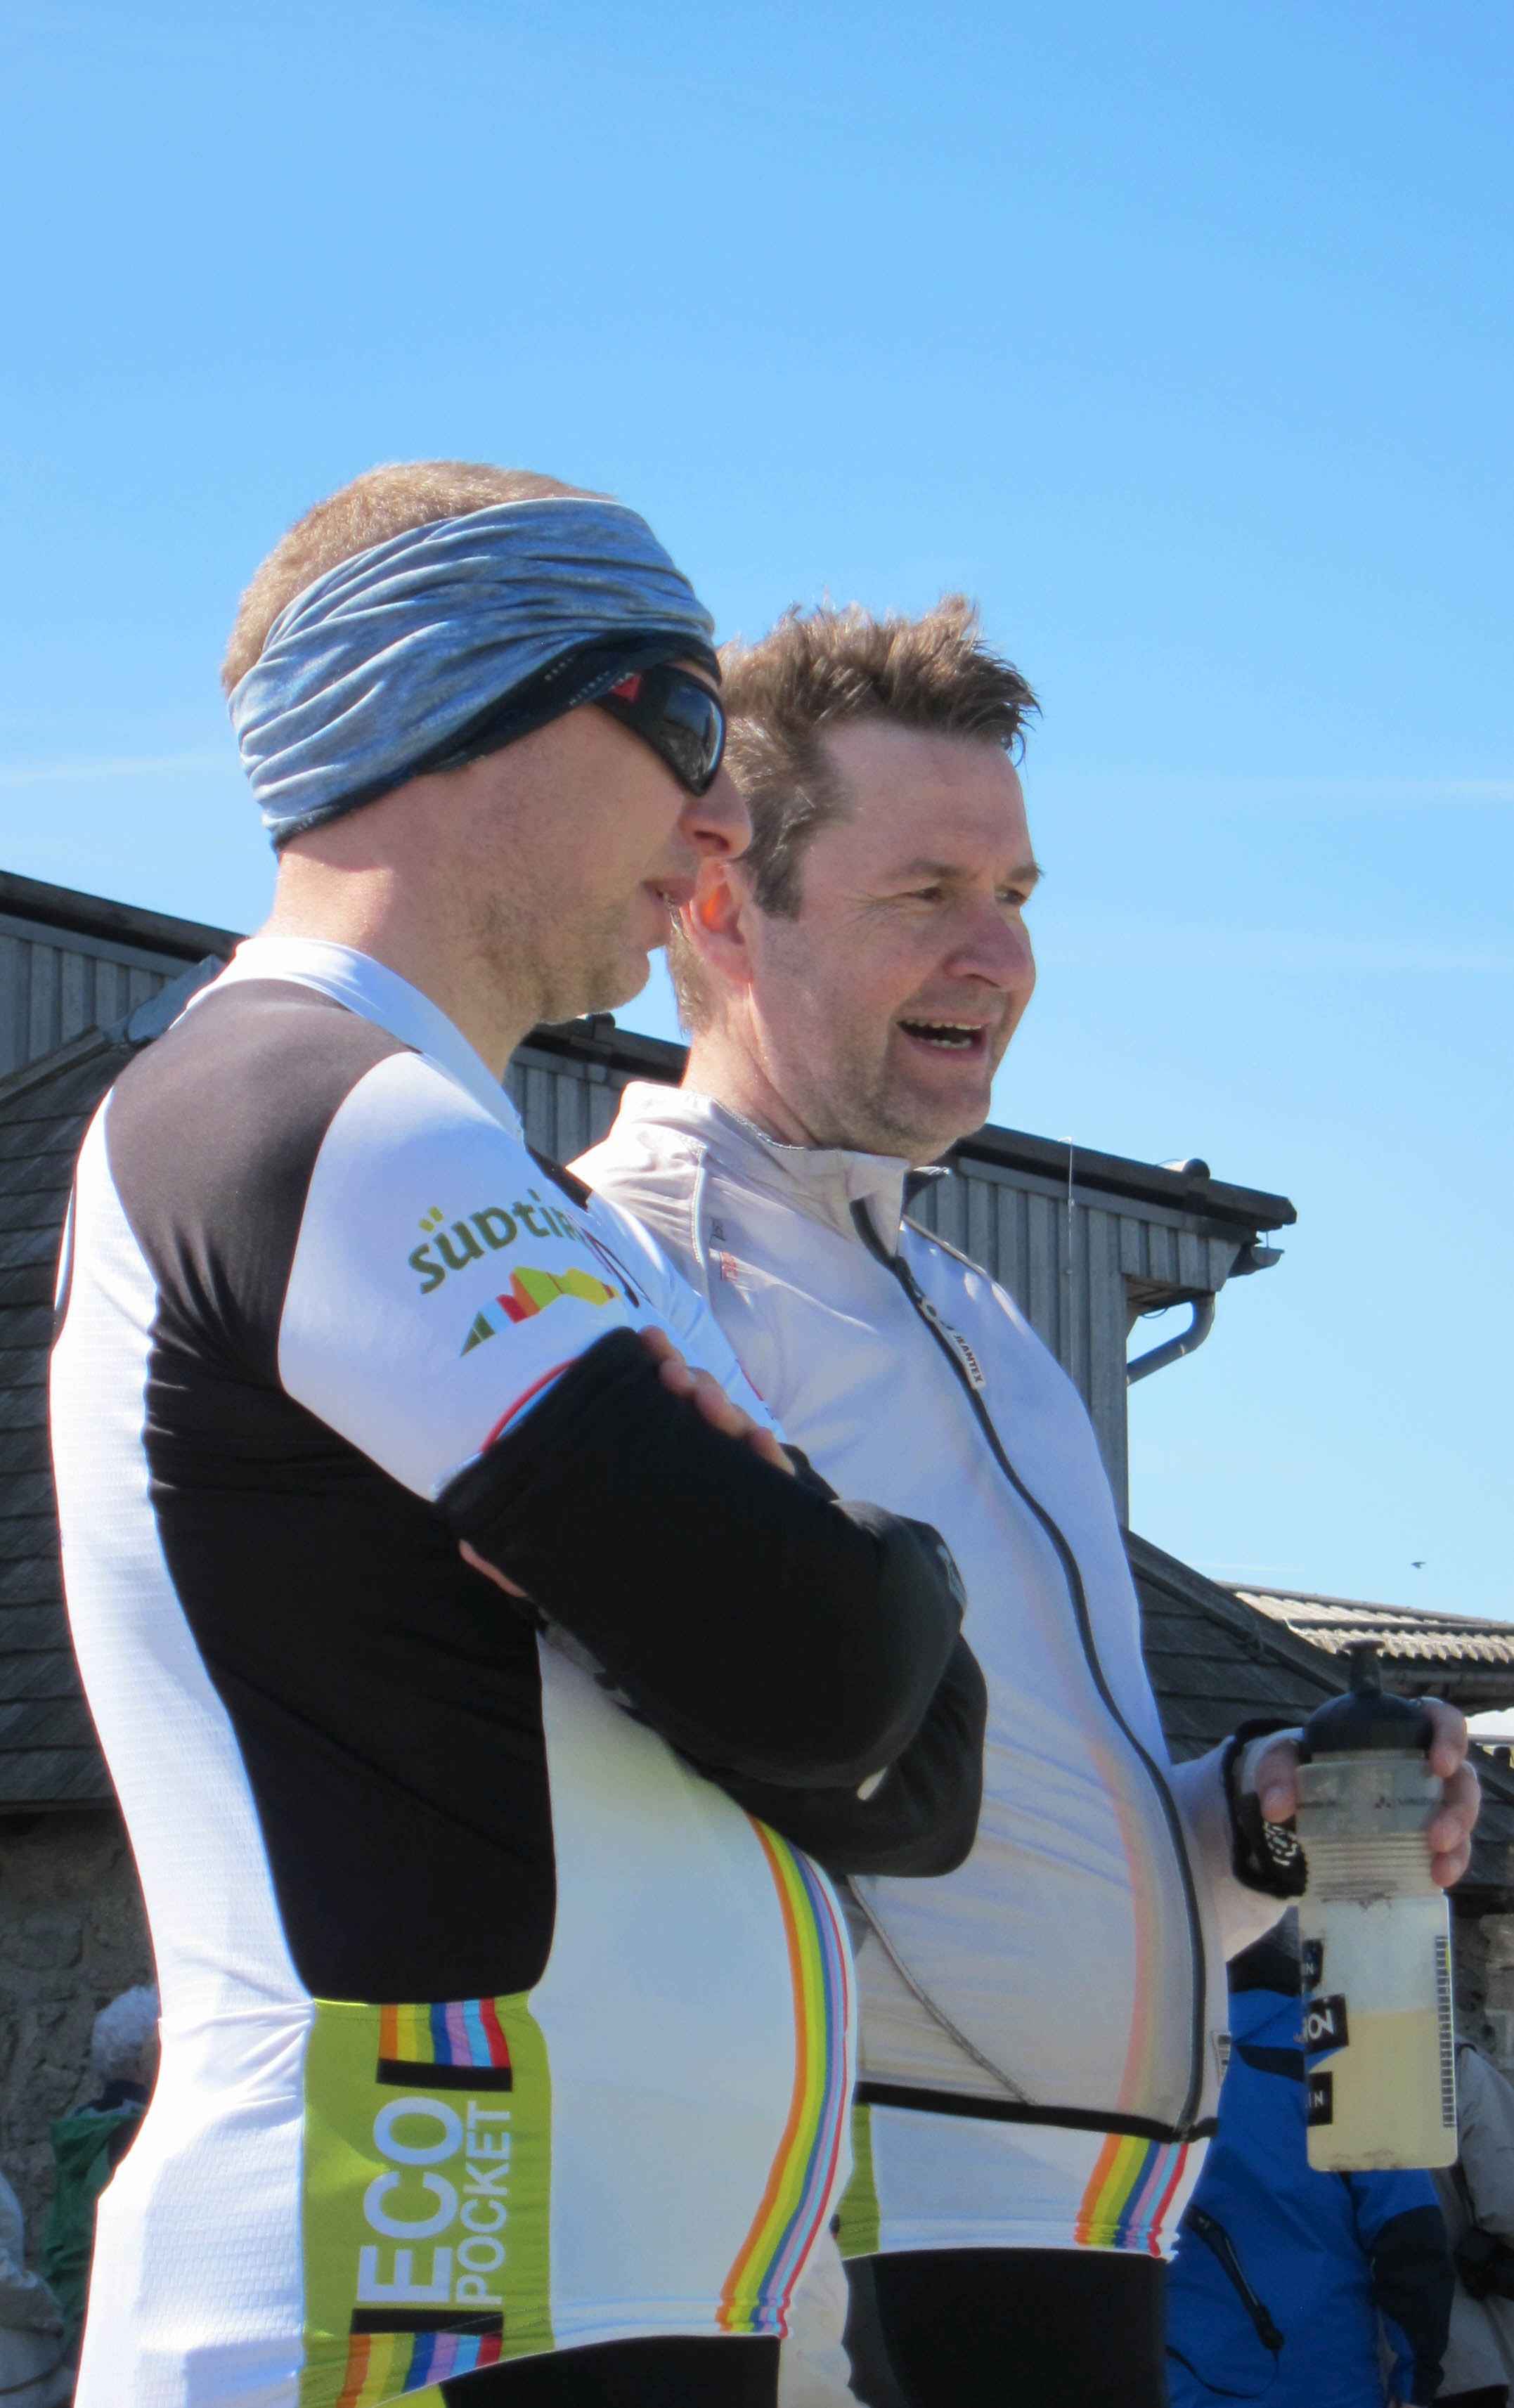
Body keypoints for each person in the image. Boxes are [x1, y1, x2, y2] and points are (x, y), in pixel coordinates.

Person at [49, 467, 982, 2408]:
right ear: (451, 705)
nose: (720, 819)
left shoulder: (511, 1194)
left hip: (602, 2293)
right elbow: (819, 1670)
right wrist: (829, 1586)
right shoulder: (301, 1103)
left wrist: (830, 1602)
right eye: (685, 724)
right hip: (414, 2287)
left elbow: (925, 1769)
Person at [575, 595, 1482, 2408]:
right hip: (852, 2222)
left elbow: (1035, 1846)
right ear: (718, 904)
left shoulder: (973, 1313)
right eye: (926, 893)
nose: (999, 955)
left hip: (1090, 2216)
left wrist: (1257, 1820)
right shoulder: (630, 1267)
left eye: (1016, 894)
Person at [1166, 1925, 1452, 2408]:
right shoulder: (1342, 2054)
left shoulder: (1141, 2060)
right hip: (1327, 2386)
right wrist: (1415, 2385)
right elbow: (1409, 2233)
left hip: (1174, 2383)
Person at [41, 1986, 159, 2355]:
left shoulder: (82, 2125)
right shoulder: (134, 2135)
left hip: (68, 2311)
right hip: (110, 2325)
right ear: (144, 2060)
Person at [1432, 2042, 1514, 2406]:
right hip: (1463, 2351)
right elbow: (1506, 2207)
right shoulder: (1453, 2063)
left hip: (1349, 2354)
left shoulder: (1311, 2062)